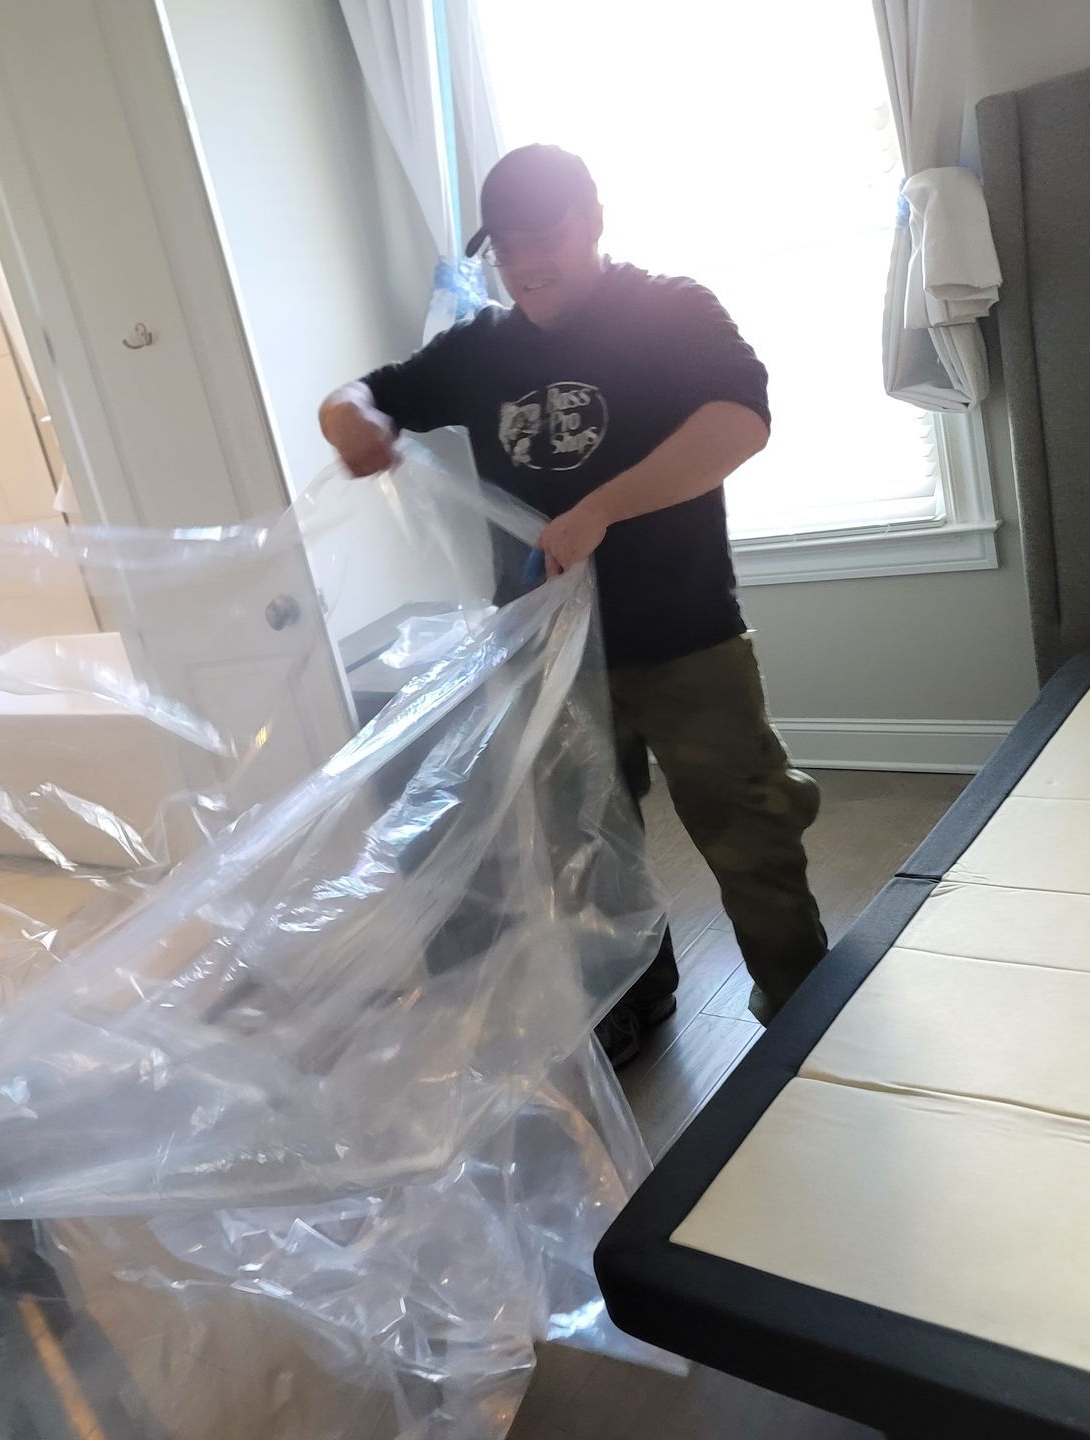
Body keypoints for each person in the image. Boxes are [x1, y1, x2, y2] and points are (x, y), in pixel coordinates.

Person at [319, 145, 827, 1065]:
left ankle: (804, 1006)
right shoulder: (481, 349)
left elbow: (740, 422)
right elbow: (371, 392)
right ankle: (638, 995)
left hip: (686, 641)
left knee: (750, 828)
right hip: (550, 651)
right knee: (588, 846)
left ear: (593, 218)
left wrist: (600, 506)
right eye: (507, 247)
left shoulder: (669, 310)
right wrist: (351, 414)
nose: (526, 263)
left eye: (544, 236)